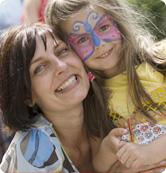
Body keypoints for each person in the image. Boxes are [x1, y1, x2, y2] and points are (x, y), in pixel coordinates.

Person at [45, 0, 166, 172]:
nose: (99, 44)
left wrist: (152, 152)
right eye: (82, 39)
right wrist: (108, 149)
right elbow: (100, 167)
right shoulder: (92, 100)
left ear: (118, 19)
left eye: (103, 28)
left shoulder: (160, 59)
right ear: (68, 49)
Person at [0, 23, 115, 172]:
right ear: (27, 96)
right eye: (40, 67)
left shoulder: (114, 104)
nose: (61, 66)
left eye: (62, 51)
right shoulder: (31, 158)